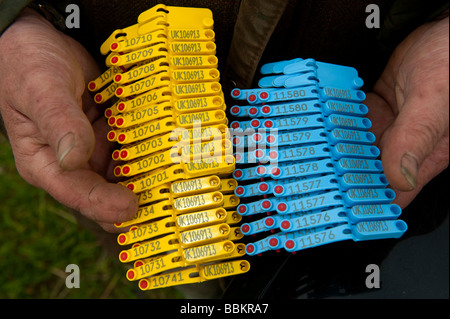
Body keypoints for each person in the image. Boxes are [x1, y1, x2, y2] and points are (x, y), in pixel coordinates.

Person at [0, 0, 448, 297]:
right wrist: (14, 19)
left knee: (324, 269)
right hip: (114, 137)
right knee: (188, 258)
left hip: (377, 97)